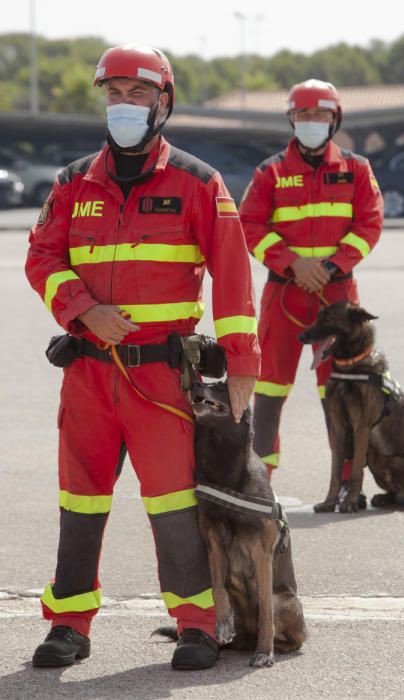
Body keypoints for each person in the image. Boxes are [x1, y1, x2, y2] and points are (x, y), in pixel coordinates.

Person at [25, 44, 260, 671]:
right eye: (113, 94)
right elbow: (42, 258)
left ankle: (197, 625)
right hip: (88, 371)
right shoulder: (75, 182)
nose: (122, 105)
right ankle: (69, 624)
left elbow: (234, 277)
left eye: (136, 94)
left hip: (161, 375)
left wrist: (242, 364)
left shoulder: (198, 181)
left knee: (173, 501)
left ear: (163, 101)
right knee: (81, 500)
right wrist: (82, 309)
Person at [239, 79, 383, 500]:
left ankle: (345, 483)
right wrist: (292, 264)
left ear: (334, 120)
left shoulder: (356, 169)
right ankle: (257, 481)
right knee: (269, 388)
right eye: (303, 116)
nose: (311, 123)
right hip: (284, 296)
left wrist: (331, 266)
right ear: (291, 119)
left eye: (320, 116)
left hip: (337, 299)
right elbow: (250, 226)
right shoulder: (270, 172)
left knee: (340, 390)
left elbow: (369, 224)